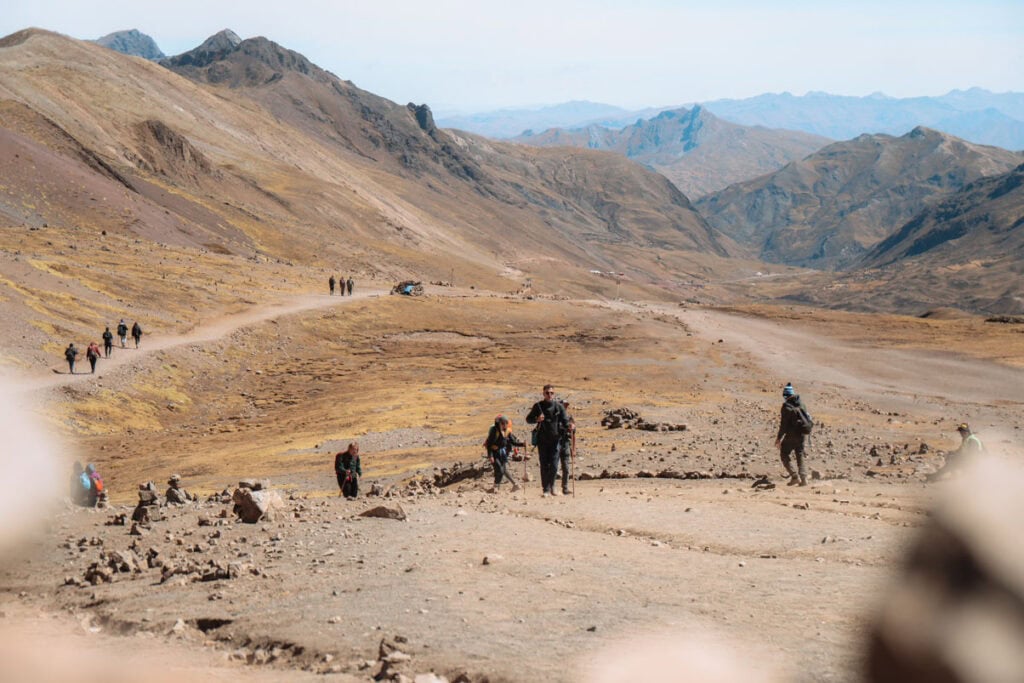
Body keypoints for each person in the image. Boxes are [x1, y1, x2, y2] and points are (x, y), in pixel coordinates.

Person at [526, 384, 574, 496]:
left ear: (554, 394)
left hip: (555, 440)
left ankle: (552, 486)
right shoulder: (538, 406)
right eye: (547, 393)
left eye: (551, 393)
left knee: (553, 465)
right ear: (543, 393)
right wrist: (537, 419)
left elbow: (565, 421)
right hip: (542, 441)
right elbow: (528, 419)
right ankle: (546, 489)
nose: (549, 395)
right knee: (544, 465)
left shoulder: (559, 407)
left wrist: (570, 426)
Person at [775, 383, 811, 486]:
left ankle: (794, 476)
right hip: (802, 434)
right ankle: (804, 479)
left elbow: (783, 425)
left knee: (784, 454)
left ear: (785, 395)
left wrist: (779, 438)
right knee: (799, 455)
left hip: (791, 435)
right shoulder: (801, 404)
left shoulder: (786, 407)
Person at [484, 415, 525, 489]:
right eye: (502, 423)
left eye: (505, 423)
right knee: (500, 469)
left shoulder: (507, 431)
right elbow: (489, 444)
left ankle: (511, 485)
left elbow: (513, 442)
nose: (504, 425)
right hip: (494, 453)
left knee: (503, 470)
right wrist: (490, 456)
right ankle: (497, 486)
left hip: (503, 453)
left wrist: (522, 444)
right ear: (499, 423)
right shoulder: (494, 431)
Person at [558, 402, 577, 495]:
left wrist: (573, 449)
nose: (565, 407)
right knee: (553, 467)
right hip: (555, 445)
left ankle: (565, 488)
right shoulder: (556, 418)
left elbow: (573, 435)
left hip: (565, 445)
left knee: (566, 468)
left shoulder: (570, 419)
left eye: (565, 406)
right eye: (563, 406)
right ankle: (549, 488)